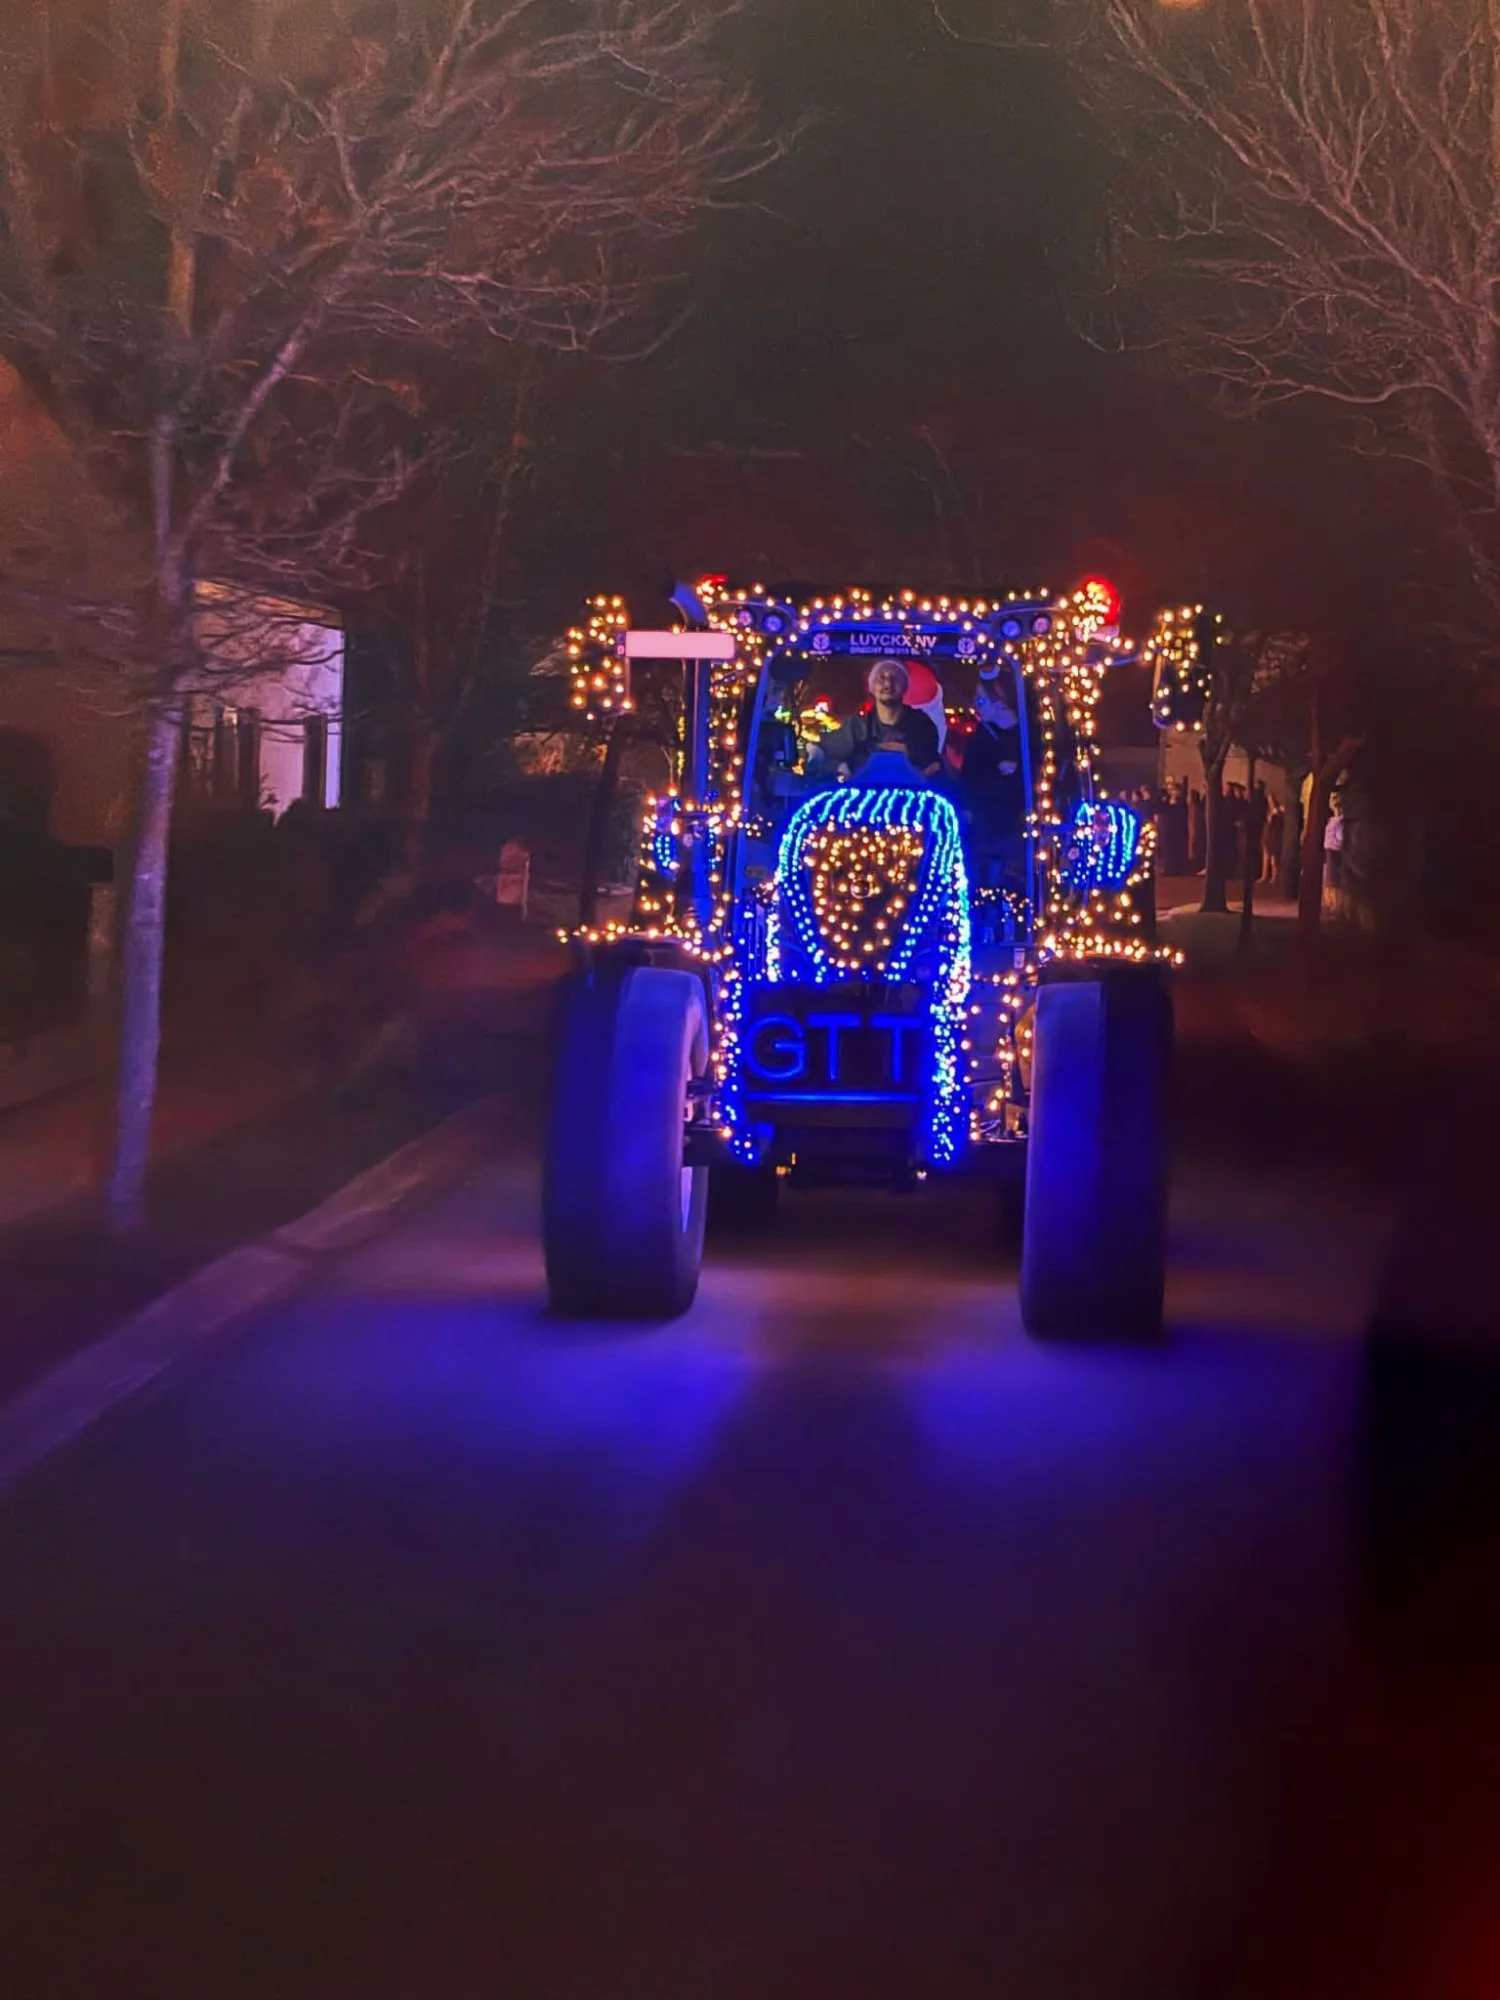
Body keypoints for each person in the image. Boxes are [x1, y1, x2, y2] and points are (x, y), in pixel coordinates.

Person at [808, 658, 943, 780]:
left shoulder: (922, 725)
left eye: (895, 678)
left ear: (905, 686)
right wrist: (839, 767)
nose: (888, 683)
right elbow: (819, 755)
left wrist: (909, 752)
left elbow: (935, 764)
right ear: (872, 688)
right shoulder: (856, 727)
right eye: (881, 678)